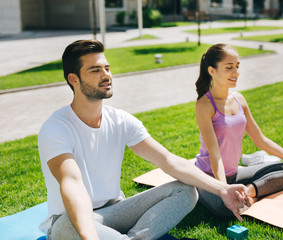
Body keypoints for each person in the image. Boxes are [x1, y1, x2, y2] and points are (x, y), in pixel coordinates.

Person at [37, 40, 251, 240]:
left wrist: (222, 188)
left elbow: (169, 161)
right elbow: (72, 183)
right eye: (95, 70)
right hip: (74, 220)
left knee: (185, 190)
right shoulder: (56, 128)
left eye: (107, 68)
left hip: (115, 211)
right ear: (73, 79)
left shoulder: (120, 120)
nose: (106, 75)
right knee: (67, 225)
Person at [194, 43, 283, 217]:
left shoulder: (239, 99)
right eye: (229, 67)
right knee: (224, 210)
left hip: (235, 173)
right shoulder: (204, 105)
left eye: (237, 66)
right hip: (209, 177)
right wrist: (225, 189)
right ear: (212, 71)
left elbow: (260, 140)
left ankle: (249, 193)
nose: (236, 72)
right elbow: (215, 154)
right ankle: (244, 196)